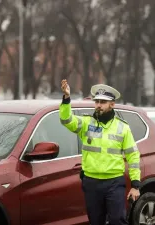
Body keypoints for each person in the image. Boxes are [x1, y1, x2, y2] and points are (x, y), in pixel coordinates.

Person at [59, 79, 141, 225]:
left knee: (117, 221)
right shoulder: (86, 123)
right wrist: (66, 99)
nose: (98, 105)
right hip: (91, 183)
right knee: (95, 222)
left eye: (103, 102)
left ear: (112, 104)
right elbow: (66, 120)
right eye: (96, 101)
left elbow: (133, 156)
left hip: (114, 183)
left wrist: (135, 185)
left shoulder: (123, 127)